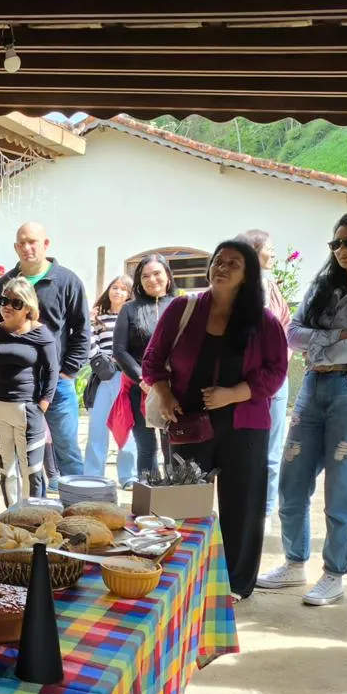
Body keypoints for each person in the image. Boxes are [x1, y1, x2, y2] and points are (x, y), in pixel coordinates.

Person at [258, 213, 347, 605]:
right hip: (314, 386)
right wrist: (335, 337)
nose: (341, 250)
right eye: (335, 243)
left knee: (341, 489)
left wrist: (320, 345)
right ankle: (293, 562)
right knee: (291, 481)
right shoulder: (324, 286)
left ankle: (334, 573)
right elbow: (291, 333)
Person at [143, 241, 288, 600]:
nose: (222, 268)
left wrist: (235, 392)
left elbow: (277, 371)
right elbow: (152, 360)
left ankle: (236, 584)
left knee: (243, 505)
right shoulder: (183, 308)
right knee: (185, 506)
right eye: (218, 261)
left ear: (247, 274)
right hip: (188, 422)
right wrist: (164, 393)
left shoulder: (263, 320)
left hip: (246, 426)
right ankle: (183, 577)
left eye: (233, 264)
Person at [0, 222, 89, 480]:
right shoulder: (3, 286)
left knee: (67, 450)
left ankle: (78, 511)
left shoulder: (67, 281)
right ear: (15, 247)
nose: (27, 247)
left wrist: (68, 371)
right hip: (14, 386)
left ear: (46, 244)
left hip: (57, 385)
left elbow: (81, 329)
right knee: (20, 454)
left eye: (32, 241)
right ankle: (24, 512)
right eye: (21, 243)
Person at [0, 277, 60, 502]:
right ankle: (11, 519)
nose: (8, 307)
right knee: (7, 471)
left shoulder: (42, 334)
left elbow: (52, 371)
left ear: (28, 307)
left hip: (28, 409)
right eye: (4, 301)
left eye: (16, 303)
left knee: (32, 471)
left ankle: (33, 520)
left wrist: (42, 406)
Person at [237, 229, 293, 533]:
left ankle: (265, 510)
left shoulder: (272, 286)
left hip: (277, 375)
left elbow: (287, 330)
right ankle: (245, 507)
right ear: (254, 251)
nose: (273, 253)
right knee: (246, 447)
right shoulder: (240, 290)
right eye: (269, 248)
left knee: (272, 449)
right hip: (247, 381)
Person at [110, 254, 177, 477]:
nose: (152, 279)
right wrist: (145, 380)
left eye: (157, 273)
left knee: (173, 446)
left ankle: (173, 500)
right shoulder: (129, 309)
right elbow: (119, 350)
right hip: (140, 388)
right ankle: (148, 501)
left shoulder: (181, 306)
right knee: (146, 447)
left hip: (175, 389)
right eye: (145, 276)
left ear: (167, 275)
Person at [84, 275, 138, 486]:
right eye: (114, 287)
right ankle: (93, 475)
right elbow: (90, 346)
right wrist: (101, 361)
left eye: (123, 289)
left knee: (127, 427)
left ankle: (129, 476)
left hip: (125, 378)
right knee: (97, 428)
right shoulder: (98, 319)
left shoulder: (133, 317)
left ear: (129, 294)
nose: (117, 292)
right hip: (102, 378)